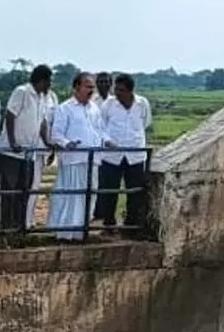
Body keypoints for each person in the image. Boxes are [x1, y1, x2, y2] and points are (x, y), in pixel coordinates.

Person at [47, 72, 114, 241]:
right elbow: (56, 134)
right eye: (87, 86)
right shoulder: (65, 108)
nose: (91, 90)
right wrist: (67, 143)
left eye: (92, 87)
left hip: (93, 159)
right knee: (71, 196)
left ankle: (81, 231)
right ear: (77, 87)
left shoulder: (94, 109)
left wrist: (108, 141)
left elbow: (100, 131)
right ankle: (64, 233)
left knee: (88, 195)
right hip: (73, 160)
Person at [0, 64, 57, 230]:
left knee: (24, 191)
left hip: (28, 153)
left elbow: (43, 122)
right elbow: (10, 115)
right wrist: (12, 141)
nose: (49, 85)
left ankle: (19, 226)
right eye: (48, 81)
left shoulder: (41, 98)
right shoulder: (22, 92)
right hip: (12, 153)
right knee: (9, 192)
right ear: (41, 80)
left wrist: (47, 141)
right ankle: (6, 227)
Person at [97, 73, 153, 236]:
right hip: (112, 155)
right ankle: (108, 224)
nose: (117, 93)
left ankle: (131, 225)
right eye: (116, 89)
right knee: (110, 191)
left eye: (121, 90)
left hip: (135, 155)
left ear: (130, 91)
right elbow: (99, 126)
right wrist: (107, 140)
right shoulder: (108, 104)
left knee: (134, 191)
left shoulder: (142, 104)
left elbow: (146, 123)